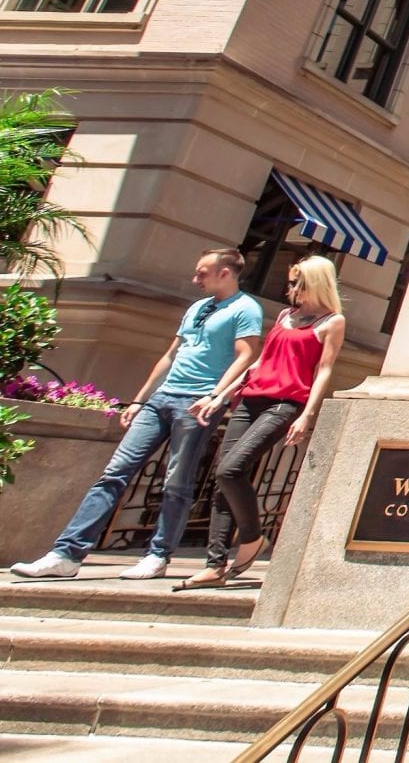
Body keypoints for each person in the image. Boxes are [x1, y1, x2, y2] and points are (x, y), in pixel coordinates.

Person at [9, 248, 264, 580]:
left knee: (176, 481)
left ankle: (158, 555)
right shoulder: (198, 307)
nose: (195, 279)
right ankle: (67, 554)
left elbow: (246, 356)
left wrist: (216, 396)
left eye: (202, 273)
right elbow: (171, 354)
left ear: (225, 273)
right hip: (161, 399)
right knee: (114, 473)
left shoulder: (246, 309)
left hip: (196, 403)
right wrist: (140, 399)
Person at [178, 256, 346, 589]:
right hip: (250, 399)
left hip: (286, 404)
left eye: (296, 281)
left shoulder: (332, 322)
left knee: (231, 470)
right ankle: (215, 566)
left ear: (314, 282)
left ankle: (252, 538)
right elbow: (258, 364)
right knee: (222, 478)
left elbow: (323, 371)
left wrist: (308, 415)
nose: (290, 288)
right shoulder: (285, 316)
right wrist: (218, 396)